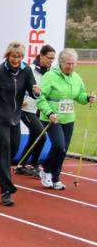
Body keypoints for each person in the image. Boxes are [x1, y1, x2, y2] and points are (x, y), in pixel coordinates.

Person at [0, 41, 39, 206]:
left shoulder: (26, 71)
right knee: (4, 150)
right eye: (13, 56)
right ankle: (6, 191)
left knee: (12, 152)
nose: (16, 59)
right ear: (7, 56)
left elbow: (32, 91)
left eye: (19, 56)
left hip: (14, 117)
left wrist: (36, 92)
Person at [37, 48, 95, 190]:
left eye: (73, 63)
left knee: (63, 150)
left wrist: (87, 97)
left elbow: (79, 95)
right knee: (58, 145)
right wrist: (49, 113)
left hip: (68, 118)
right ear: (61, 63)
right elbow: (40, 97)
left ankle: (55, 177)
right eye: (68, 63)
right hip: (52, 118)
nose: (71, 66)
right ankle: (46, 170)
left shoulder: (76, 78)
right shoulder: (50, 76)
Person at [18, 44, 55, 178]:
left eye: (53, 58)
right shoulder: (30, 69)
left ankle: (21, 165)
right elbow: (19, 86)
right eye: (49, 58)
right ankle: (33, 165)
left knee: (35, 136)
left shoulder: (51, 72)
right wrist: (20, 99)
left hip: (40, 110)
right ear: (41, 56)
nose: (51, 61)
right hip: (26, 108)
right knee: (41, 136)